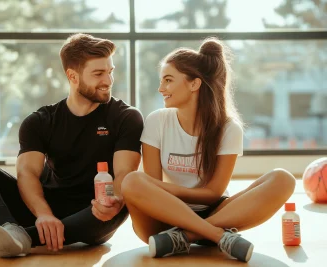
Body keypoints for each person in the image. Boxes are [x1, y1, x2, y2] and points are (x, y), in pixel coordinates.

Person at [0, 33, 143, 258]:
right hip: (44, 206)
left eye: (110, 72)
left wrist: (114, 200)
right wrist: (43, 213)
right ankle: (11, 229)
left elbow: (124, 172)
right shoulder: (40, 121)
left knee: (121, 202)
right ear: (72, 76)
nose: (108, 81)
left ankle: (19, 237)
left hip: (93, 213)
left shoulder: (126, 117)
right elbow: (27, 173)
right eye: (98, 73)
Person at [120, 37, 296, 262]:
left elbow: (213, 193)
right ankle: (216, 236)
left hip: (217, 213)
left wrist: (159, 187)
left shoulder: (228, 128)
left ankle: (185, 237)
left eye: (168, 80)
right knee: (132, 181)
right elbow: (151, 190)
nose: (161, 88)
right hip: (165, 218)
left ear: (194, 84)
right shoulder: (157, 121)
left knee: (284, 179)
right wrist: (159, 189)